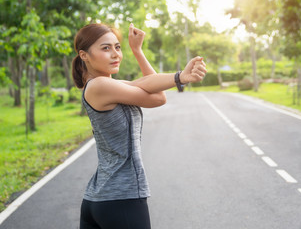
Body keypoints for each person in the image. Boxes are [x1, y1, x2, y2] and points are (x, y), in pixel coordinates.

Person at [72, 23, 207, 229]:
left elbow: (157, 97)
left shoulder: (111, 86)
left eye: (118, 47)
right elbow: (152, 89)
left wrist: (137, 50)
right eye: (105, 48)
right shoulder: (98, 86)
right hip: (121, 199)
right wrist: (180, 77)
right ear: (84, 55)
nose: (115, 54)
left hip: (99, 200)